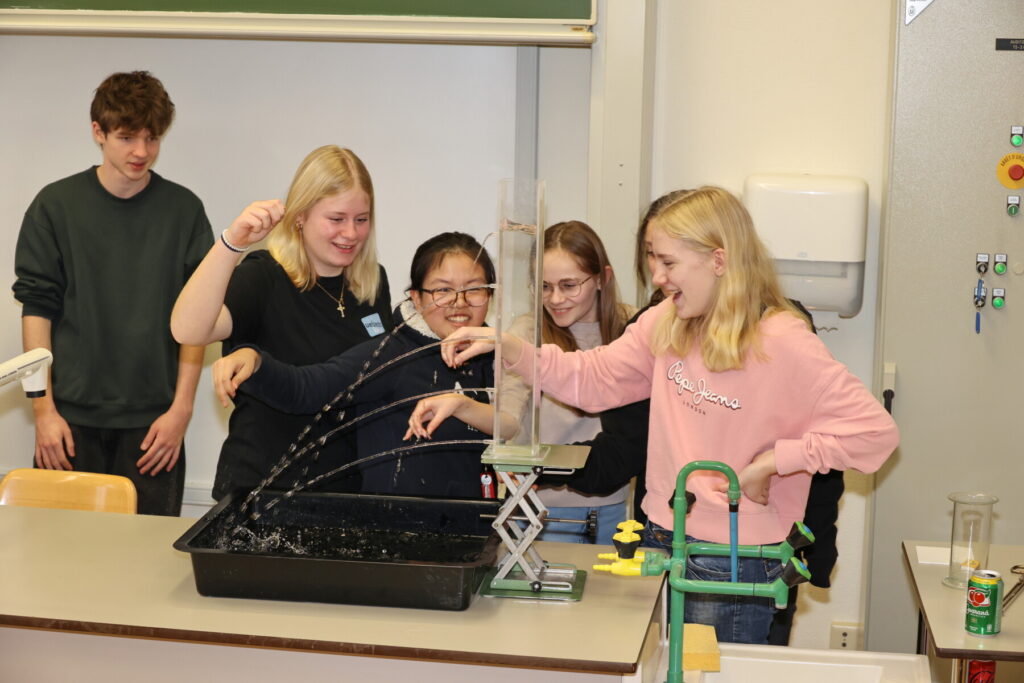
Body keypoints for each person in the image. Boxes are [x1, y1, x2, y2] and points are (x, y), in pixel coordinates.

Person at [438, 186, 899, 645]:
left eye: (668, 262)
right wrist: (511, 347)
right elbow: (592, 379)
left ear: (718, 260)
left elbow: (874, 434)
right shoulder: (666, 321)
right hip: (662, 535)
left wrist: (774, 462)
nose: (657, 276)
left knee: (714, 674)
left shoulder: (782, 339)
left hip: (735, 556)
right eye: (652, 259)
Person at [12, 71, 212, 516]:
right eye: (126, 137)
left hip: (154, 426)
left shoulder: (184, 210)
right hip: (68, 423)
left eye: (152, 138)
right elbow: (37, 310)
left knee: (146, 556)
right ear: (98, 132)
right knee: (60, 553)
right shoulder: (55, 206)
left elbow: (199, 321)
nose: (141, 151)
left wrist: (181, 412)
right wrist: (43, 412)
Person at [212, 232, 520, 498]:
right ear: (416, 297)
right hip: (399, 532)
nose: (460, 302)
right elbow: (309, 388)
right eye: (443, 290)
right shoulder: (391, 354)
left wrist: (465, 406)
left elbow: (513, 426)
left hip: (476, 523)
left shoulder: (497, 355)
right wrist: (255, 361)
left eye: (474, 289)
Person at [170, 145, 393, 501]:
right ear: (301, 216)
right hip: (263, 492)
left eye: (361, 219)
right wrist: (231, 243)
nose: (351, 233)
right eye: (336, 219)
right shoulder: (264, 276)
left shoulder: (371, 283)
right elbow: (188, 330)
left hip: (345, 492)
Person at [516, 221, 635, 545]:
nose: (555, 299)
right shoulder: (525, 334)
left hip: (614, 507)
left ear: (601, 278)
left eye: (569, 285)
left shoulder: (633, 329)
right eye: (544, 286)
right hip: (542, 509)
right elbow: (507, 416)